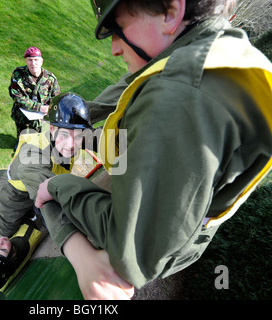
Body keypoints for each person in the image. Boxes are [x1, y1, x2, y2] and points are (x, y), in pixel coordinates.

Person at [35, 0, 272, 299]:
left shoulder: (177, 98)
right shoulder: (218, 54)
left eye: (118, 30)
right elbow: (123, 99)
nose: (115, 48)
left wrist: (58, 186)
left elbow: (131, 253)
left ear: (171, 12)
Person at [0, 92, 92, 243]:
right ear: (52, 129)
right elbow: (50, 198)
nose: (72, 144)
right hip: (15, 194)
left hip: (34, 185)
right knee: (5, 229)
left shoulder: (72, 142)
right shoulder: (33, 155)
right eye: (65, 135)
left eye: (78, 135)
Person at [9, 46, 60, 140]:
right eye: (30, 60)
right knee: (22, 136)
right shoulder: (18, 74)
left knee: (38, 139)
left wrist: (49, 110)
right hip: (22, 114)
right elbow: (17, 96)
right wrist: (39, 107)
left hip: (42, 117)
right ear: (25, 61)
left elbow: (56, 99)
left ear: (41, 61)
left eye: (36, 60)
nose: (33, 63)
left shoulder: (50, 79)